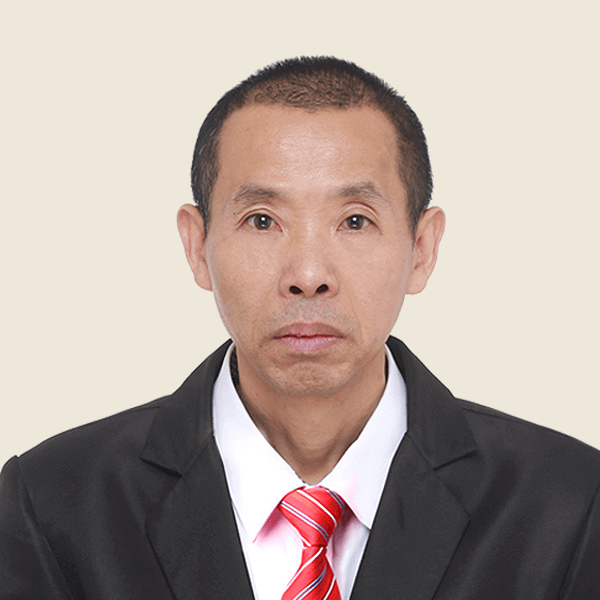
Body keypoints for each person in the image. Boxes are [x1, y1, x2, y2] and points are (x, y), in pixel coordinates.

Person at [1, 56, 599, 600]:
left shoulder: (570, 504)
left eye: (355, 221)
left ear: (422, 248)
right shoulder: (51, 503)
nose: (308, 276)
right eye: (262, 220)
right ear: (198, 245)